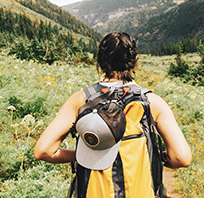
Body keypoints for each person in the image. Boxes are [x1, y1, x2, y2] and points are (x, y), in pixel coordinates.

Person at [34, 31, 191, 197]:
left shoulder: (80, 100)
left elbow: (43, 151)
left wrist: (79, 155)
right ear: (134, 61)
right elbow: (182, 158)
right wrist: (157, 157)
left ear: (100, 61)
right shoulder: (153, 102)